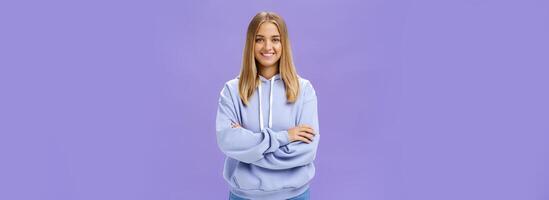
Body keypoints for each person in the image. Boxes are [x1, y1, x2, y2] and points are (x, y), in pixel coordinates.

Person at [215, 11, 320, 200]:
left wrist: (250, 148)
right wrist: (285, 137)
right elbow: (228, 141)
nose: (268, 47)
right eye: (259, 39)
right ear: (250, 44)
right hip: (244, 196)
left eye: (275, 39)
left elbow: (306, 152)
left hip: (294, 196)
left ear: (283, 44)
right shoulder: (232, 91)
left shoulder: (304, 90)